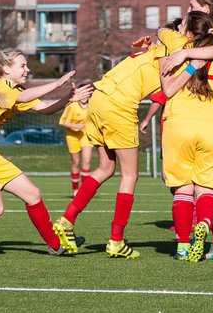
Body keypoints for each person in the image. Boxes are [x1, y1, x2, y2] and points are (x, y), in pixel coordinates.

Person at [0, 51, 92, 259]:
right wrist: (56, 83)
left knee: (33, 195)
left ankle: (55, 246)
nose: (28, 69)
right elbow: (25, 97)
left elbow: (44, 108)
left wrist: (68, 99)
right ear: (6, 69)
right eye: (23, 66)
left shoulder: (14, 90)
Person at [139, 0, 213, 259]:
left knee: (196, 177)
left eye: (191, 5)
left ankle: (208, 237)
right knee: (207, 176)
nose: (187, 9)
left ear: (205, 10)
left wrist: (181, 53)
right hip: (208, 105)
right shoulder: (193, 37)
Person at [53, 40, 171, 259]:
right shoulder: (174, 51)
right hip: (119, 105)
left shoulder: (156, 48)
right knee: (130, 174)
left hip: (99, 97)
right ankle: (116, 240)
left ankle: (67, 219)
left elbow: (161, 36)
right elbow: (169, 88)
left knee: (106, 168)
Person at [157, 11, 213, 261]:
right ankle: (206, 223)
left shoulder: (173, 45)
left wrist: (185, 58)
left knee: (183, 188)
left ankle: (183, 246)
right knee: (208, 185)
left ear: (185, 30)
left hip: (180, 123)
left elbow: (168, 89)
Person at [58, 94, 92, 195]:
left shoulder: (93, 105)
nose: (84, 96)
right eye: (82, 94)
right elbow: (62, 122)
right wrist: (75, 125)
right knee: (76, 162)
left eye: (86, 94)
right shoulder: (72, 105)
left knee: (86, 160)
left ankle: (85, 191)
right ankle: (75, 189)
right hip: (72, 136)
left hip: (86, 135)